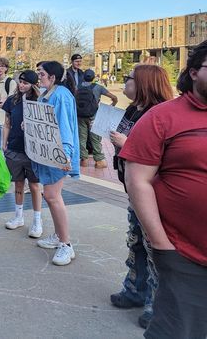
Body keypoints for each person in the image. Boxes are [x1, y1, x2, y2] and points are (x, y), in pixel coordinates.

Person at [120, 40, 207, 339]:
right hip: (185, 257)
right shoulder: (161, 117)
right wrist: (162, 245)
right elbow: (137, 180)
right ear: (194, 72)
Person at [108, 64, 173, 329]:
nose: (125, 82)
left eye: (130, 79)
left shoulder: (160, 115)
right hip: (133, 192)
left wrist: (127, 146)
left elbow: (162, 156)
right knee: (136, 243)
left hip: (155, 196)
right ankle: (134, 289)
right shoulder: (133, 110)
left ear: (144, 83)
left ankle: (156, 303)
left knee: (153, 249)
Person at [34, 61, 80, 266]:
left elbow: (64, 126)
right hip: (49, 153)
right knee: (51, 196)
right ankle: (58, 235)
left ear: (52, 77)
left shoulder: (60, 95)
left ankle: (66, 244)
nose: (39, 77)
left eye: (42, 74)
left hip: (57, 153)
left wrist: (66, 155)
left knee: (52, 196)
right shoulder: (48, 94)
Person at [2, 70, 43, 238]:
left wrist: (32, 125)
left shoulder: (40, 101)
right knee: (18, 184)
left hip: (33, 151)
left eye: (25, 83)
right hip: (15, 148)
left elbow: (45, 125)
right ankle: (18, 217)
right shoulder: (12, 101)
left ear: (33, 85)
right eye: (20, 81)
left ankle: (37, 220)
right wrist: (4, 143)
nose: (21, 85)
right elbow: (7, 123)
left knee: (34, 186)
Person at [76, 69, 118, 169]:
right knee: (95, 138)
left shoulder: (78, 87)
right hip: (94, 115)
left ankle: (84, 160)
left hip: (80, 115)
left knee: (82, 138)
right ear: (93, 77)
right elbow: (114, 97)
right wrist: (112, 104)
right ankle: (99, 160)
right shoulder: (98, 87)